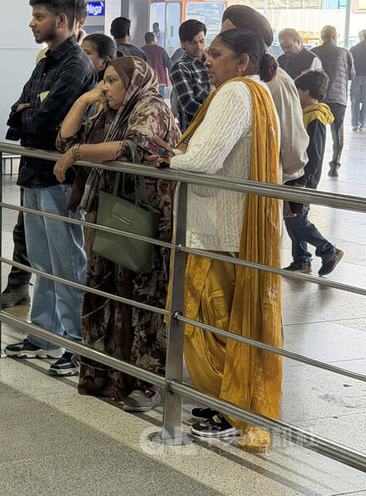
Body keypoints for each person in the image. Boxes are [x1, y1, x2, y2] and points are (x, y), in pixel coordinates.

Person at [166, 28, 282, 453]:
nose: (207, 60)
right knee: (228, 322)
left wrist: (170, 157)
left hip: (219, 230)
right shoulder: (259, 92)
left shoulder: (235, 94)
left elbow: (202, 160)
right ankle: (229, 403)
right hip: (234, 229)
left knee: (210, 322)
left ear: (243, 61)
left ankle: (232, 408)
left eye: (216, 54)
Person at [53, 56, 181, 411]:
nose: (105, 88)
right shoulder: (112, 113)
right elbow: (65, 141)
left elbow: (136, 148)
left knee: (144, 297)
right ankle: (110, 374)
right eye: (103, 81)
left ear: (134, 81)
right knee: (109, 289)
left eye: (111, 81)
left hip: (146, 218)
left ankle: (150, 383)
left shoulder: (150, 106)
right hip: (113, 212)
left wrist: (79, 153)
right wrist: (83, 101)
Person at [3, 0, 96, 377]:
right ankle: (44, 333)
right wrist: (29, 111)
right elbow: (16, 112)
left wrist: (30, 112)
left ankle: (75, 343)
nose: (32, 23)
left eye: (39, 17)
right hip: (34, 172)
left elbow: (43, 120)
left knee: (67, 261)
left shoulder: (75, 65)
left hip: (61, 178)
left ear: (61, 21)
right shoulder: (45, 62)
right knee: (41, 259)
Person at [221, 5, 308, 184]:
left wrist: (287, 187)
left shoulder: (278, 82)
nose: (224, 41)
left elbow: (292, 145)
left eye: (231, 35)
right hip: (229, 182)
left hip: (263, 185)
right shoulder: (228, 77)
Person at [283, 70, 343, 275]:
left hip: (302, 178)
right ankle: (301, 260)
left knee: (297, 218)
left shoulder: (315, 116)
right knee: (291, 217)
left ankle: (328, 250)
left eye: (297, 90)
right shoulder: (306, 113)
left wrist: (302, 181)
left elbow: (314, 155)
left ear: (307, 91)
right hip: (297, 175)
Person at [311, 25, 354, 177]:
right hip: (338, 99)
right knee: (337, 133)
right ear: (335, 36)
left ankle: (314, 168)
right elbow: (351, 75)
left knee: (316, 133)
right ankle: (334, 166)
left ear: (322, 37)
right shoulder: (345, 53)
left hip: (318, 98)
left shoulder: (314, 52)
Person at [169, 19, 210, 130]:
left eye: (201, 41)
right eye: (192, 43)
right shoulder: (180, 68)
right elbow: (188, 104)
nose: (199, 47)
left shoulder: (212, 61)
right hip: (195, 130)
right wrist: (216, 114)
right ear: (182, 43)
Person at [141, 31, 172, 98]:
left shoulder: (141, 50)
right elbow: (169, 64)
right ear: (153, 39)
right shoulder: (161, 50)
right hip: (159, 80)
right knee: (160, 102)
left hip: (146, 81)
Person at [348, 29, 366, 132]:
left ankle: (355, 124)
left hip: (356, 77)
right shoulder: (354, 49)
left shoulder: (354, 49)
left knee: (355, 101)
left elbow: (349, 64)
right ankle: (363, 124)